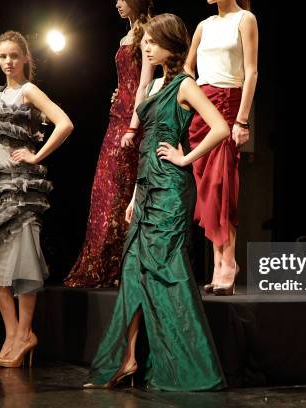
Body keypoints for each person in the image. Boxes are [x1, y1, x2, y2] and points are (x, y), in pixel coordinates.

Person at [83, 13, 230, 391]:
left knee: (167, 272)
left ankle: (190, 366)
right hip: (146, 188)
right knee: (132, 271)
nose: (145, 46)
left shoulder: (184, 85)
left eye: (151, 41)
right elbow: (144, 145)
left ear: (171, 45)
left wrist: (186, 157)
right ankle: (129, 359)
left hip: (171, 191)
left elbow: (221, 127)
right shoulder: (151, 88)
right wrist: (133, 195)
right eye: (144, 41)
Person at [0, 30, 74, 368]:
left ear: (25, 58)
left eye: (14, 56)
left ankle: (24, 335)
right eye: (3, 56)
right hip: (0, 186)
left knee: (24, 262)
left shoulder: (28, 91)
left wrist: (35, 156)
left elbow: (64, 123)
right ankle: (11, 336)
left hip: (22, 188)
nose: (8, 62)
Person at [64, 0, 155, 288]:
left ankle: (123, 266)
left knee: (127, 187)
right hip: (117, 116)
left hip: (134, 118)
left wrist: (134, 122)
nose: (117, 3)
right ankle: (105, 263)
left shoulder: (149, 32)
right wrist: (119, 97)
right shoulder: (124, 37)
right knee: (106, 186)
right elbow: (127, 81)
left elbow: (145, 84)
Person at [184, 0, 258, 295]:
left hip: (228, 105)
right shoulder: (204, 26)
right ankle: (219, 264)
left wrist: (242, 120)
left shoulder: (245, 19)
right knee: (206, 189)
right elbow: (188, 67)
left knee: (221, 186)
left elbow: (251, 72)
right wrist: (187, 95)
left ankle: (227, 263)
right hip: (202, 108)